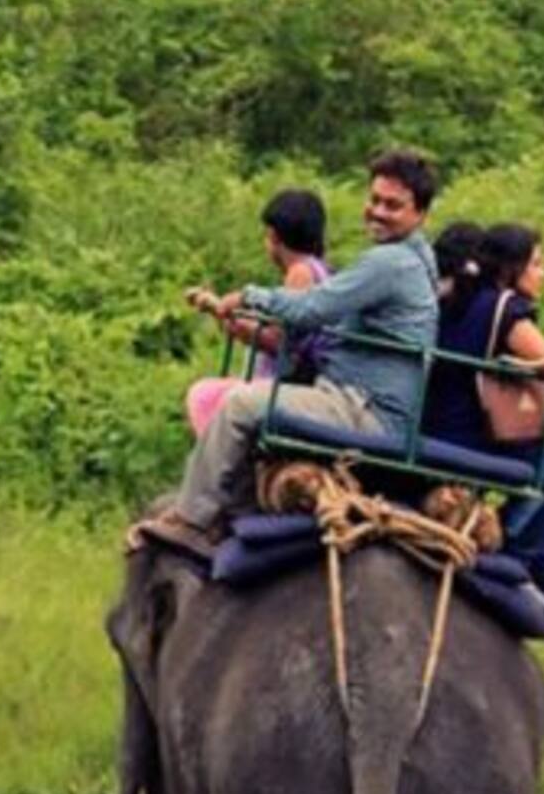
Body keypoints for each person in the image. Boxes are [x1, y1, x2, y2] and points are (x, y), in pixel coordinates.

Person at [133, 150, 443, 555]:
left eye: (393, 205)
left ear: (420, 214)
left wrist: (249, 296)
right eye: (374, 200)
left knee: (240, 405)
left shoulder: (389, 263)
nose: (377, 212)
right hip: (371, 403)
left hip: (362, 408)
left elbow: (311, 308)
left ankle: (190, 520)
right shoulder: (418, 258)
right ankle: (239, 511)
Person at [426, 223, 544, 648]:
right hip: (478, 439)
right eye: (537, 263)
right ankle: (511, 560)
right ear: (512, 268)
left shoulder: (460, 300)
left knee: (538, 481)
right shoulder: (504, 309)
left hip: (441, 427)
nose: (542, 273)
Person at [182, 188, 330, 436]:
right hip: (294, 379)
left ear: (273, 236)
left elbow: (279, 340)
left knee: (203, 395)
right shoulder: (320, 269)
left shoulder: (301, 273)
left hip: (287, 383)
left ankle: (223, 466)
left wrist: (234, 322)